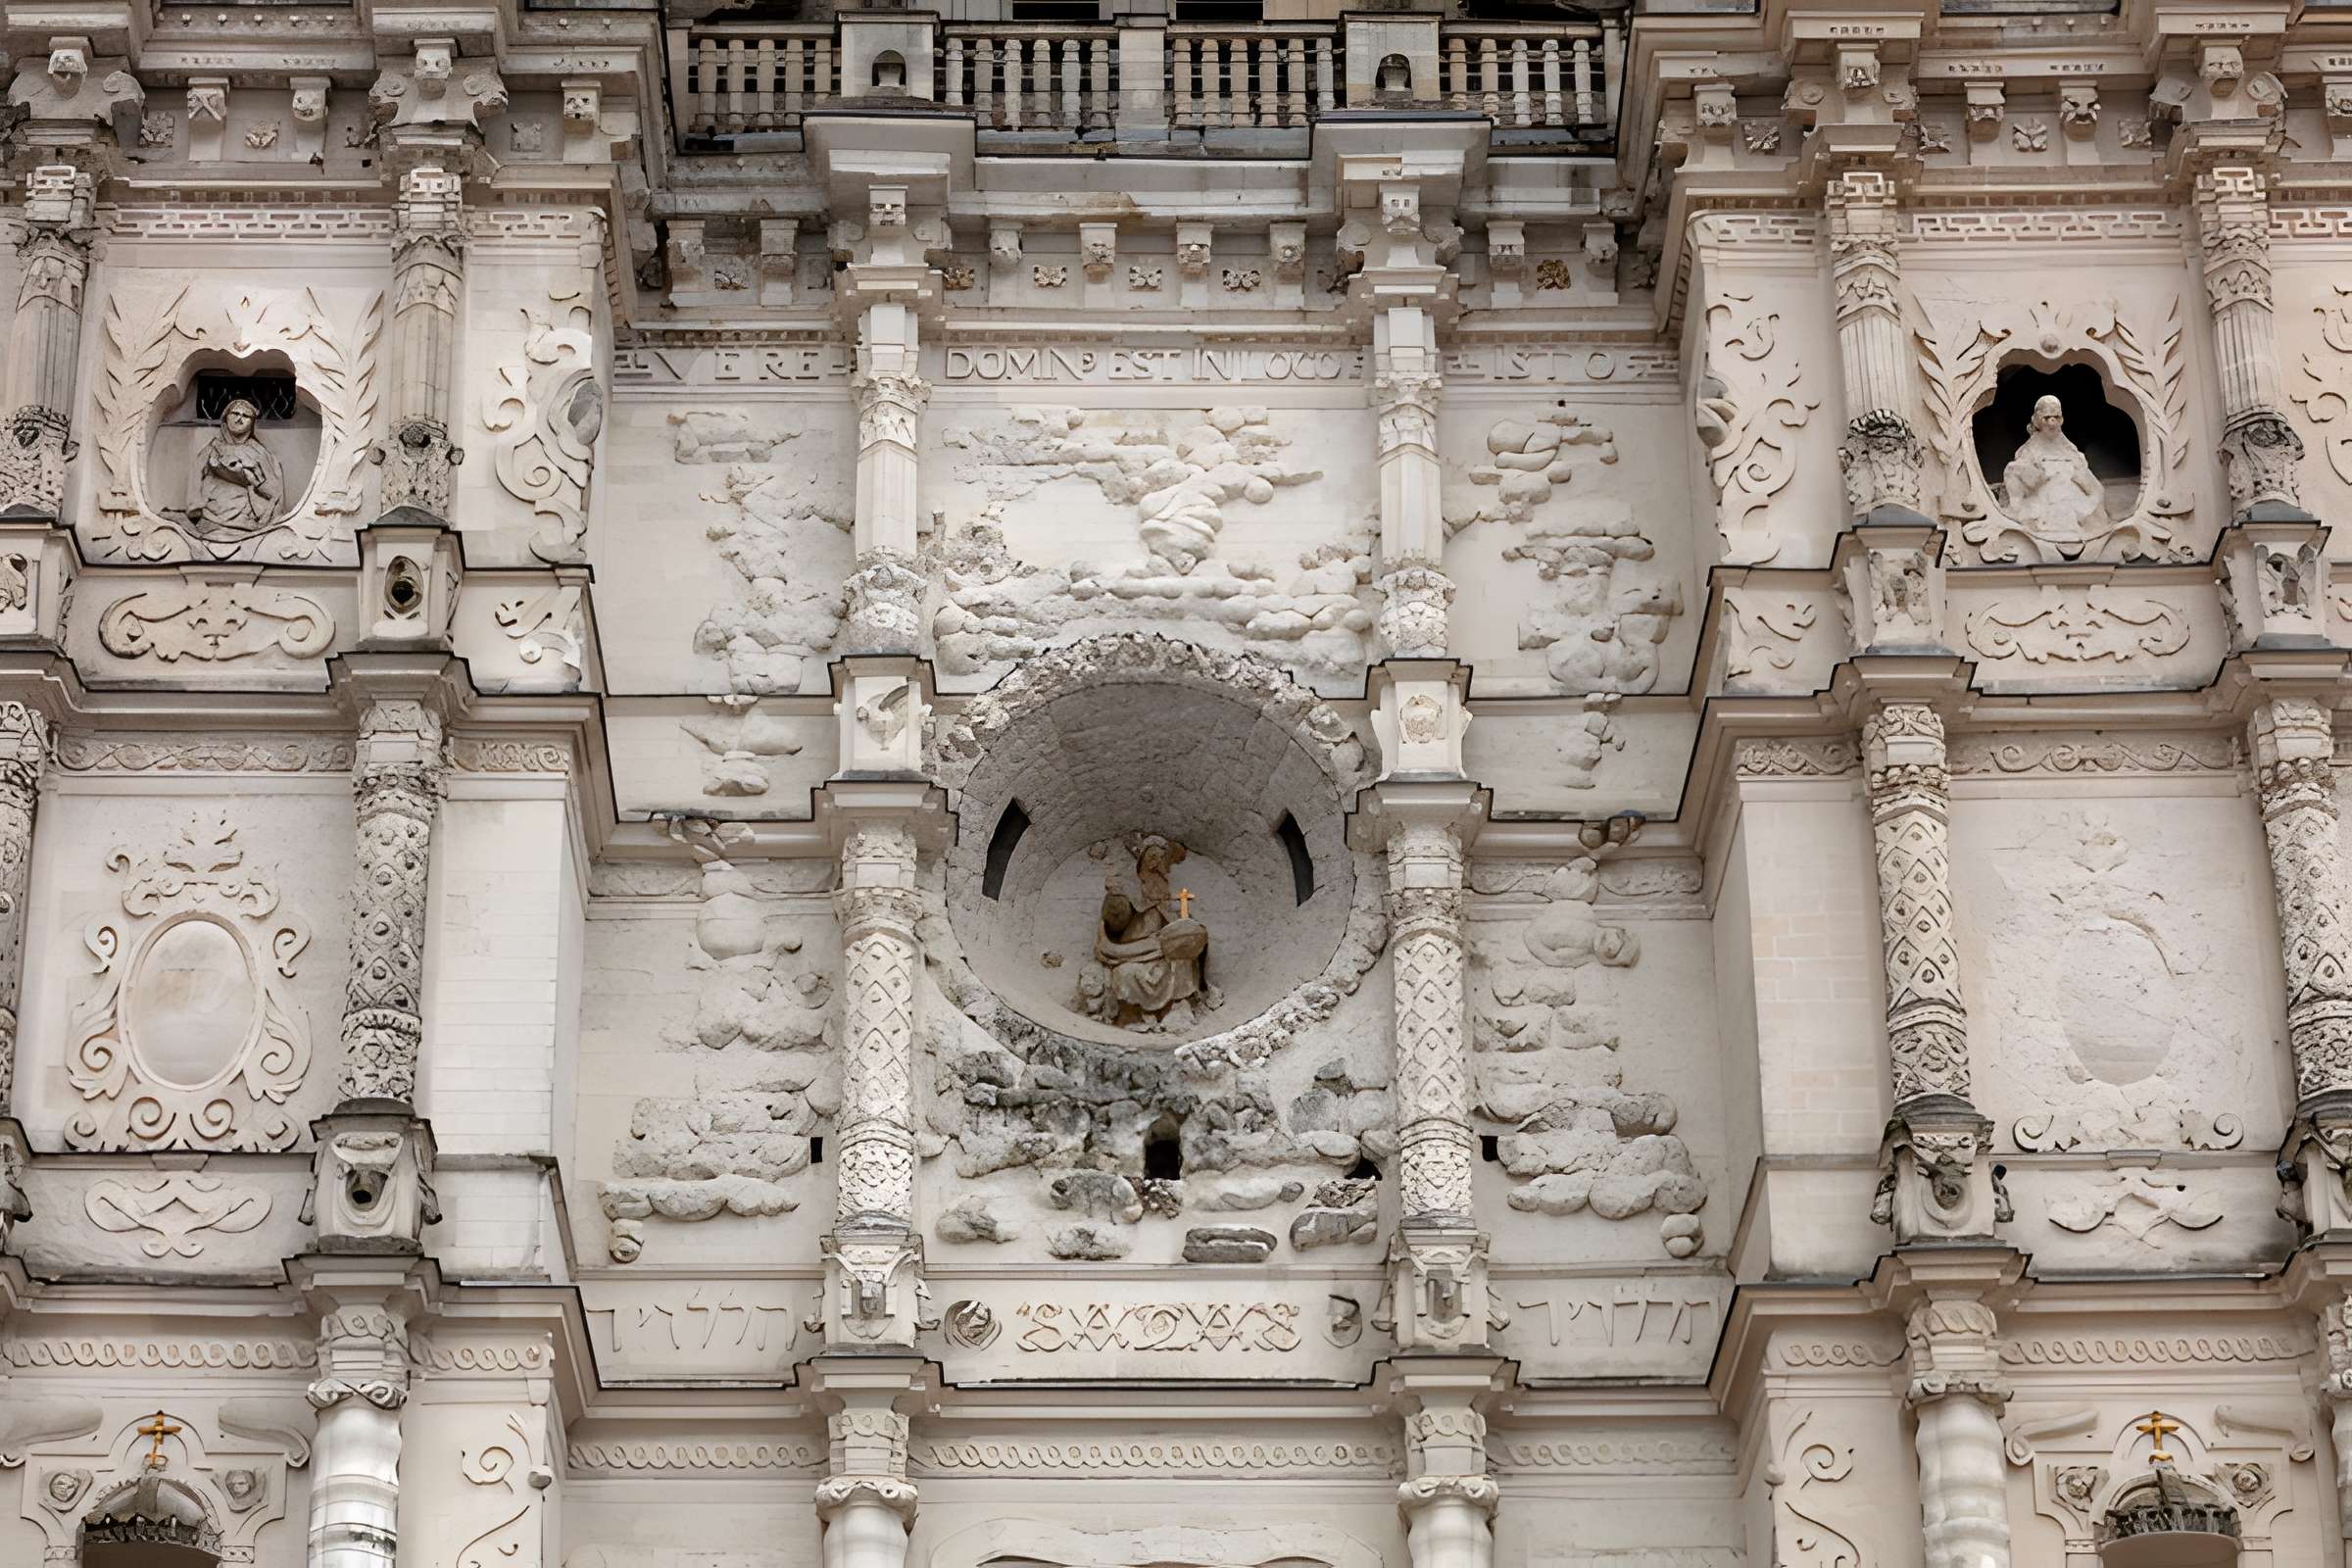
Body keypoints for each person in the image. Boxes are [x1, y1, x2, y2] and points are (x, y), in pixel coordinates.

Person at [1090, 835, 1208, 1029]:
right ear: (1147, 861)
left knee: (1182, 957)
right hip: (1135, 948)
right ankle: (1131, 1015)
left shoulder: (1163, 890)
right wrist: (1116, 900)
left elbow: (1169, 925)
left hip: (1159, 947)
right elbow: (1117, 920)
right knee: (1125, 972)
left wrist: (1181, 924)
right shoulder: (1131, 889)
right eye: (1156, 859)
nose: (1161, 865)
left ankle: (1179, 1006)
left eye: (1162, 859)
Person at [1999, 394, 2109, 546]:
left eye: (2056, 417)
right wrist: (2036, 477)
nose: (2052, 423)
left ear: (2061, 419)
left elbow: (2089, 480)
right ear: (2037, 420)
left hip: (2070, 498)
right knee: (2012, 469)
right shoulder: (2029, 449)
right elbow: (2016, 473)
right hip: (2040, 500)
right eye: (2046, 418)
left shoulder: (2069, 449)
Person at [187, 398, 286, 540]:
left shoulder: (260, 452)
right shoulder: (212, 448)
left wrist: (254, 480)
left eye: (245, 416)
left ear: (252, 423)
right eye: (235, 414)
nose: (239, 419)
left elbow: (275, 491)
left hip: (246, 519)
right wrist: (194, 507)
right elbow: (195, 476)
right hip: (211, 517)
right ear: (226, 418)